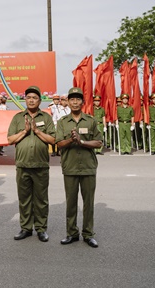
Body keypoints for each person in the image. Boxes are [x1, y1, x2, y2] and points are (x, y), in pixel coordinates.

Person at [56, 87, 103, 248]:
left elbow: (98, 142)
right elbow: (59, 144)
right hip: (70, 167)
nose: (75, 102)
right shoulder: (63, 122)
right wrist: (71, 139)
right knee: (71, 202)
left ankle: (88, 234)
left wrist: (81, 142)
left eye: (78, 99)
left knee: (88, 203)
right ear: (67, 102)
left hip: (88, 167)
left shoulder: (91, 120)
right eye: (72, 99)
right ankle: (71, 233)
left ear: (83, 102)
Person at [7, 86, 55, 242]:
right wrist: (25, 131)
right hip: (23, 165)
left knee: (41, 199)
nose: (31, 100)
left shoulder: (46, 118)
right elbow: (10, 139)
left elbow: (53, 140)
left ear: (40, 100)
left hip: (41, 165)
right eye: (28, 97)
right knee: (24, 198)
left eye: (35, 97)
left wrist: (38, 131)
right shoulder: (18, 118)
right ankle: (26, 228)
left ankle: (41, 229)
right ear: (25, 100)